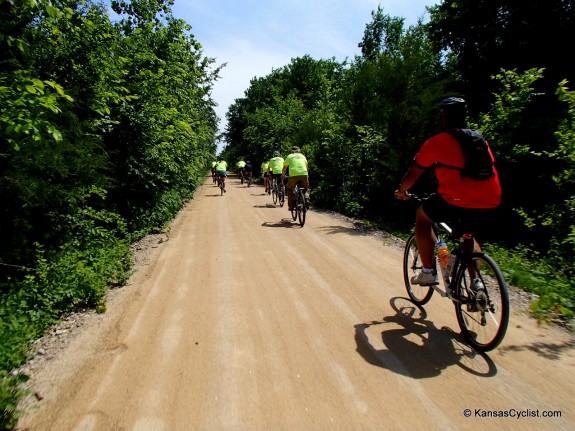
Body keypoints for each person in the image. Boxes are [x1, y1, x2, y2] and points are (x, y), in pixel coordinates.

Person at [394, 97, 502, 285]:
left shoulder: (438, 141)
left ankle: (428, 272)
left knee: (422, 216)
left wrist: (401, 190)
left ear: (443, 116)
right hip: (490, 199)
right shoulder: (479, 139)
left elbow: (413, 174)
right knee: (468, 234)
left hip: (456, 199)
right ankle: (476, 285)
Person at [282, 146, 309, 211]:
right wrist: (306, 175)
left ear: (292, 151)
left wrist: (283, 175)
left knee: (290, 190)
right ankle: (306, 199)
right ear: (299, 150)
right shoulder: (303, 156)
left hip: (293, 175)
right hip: (304, 174)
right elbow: (307, 167)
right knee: (305, 188)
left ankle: (291, 206)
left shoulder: (290, 156)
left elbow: (285, 167)